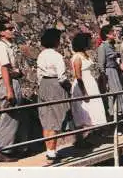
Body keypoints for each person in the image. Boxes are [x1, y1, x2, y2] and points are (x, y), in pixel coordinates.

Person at [0, 18, 27, 162]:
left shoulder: (10, 46)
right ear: (1, 32)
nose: (12, 30)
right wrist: (9, 90)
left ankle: (10, 148)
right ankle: (1, 150)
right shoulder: (1, 47)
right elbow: (4, 68)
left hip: (13, 81)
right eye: (9, 29)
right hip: (8, 83)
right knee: (8, 117)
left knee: (15, 117)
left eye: (12, 28)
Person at [36, 28, 71, 163]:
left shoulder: (41, 55)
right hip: (55, 84)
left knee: (46, 118)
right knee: (56, 118)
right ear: (56, 40)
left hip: (44, 84)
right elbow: (62, 77)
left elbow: (39, 74)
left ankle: (50, 151)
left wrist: (42, 86)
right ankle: (52, 153)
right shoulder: (57, 56)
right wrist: (67, 87)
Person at [70, 32, 107, 146]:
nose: (91, 42)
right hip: (83, 86)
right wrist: (84, 92)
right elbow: (78, 75)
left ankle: (87, 137)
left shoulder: (85, 54)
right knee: (82, 112)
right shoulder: (77, 57)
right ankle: (80, 140)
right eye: (89, 40)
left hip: (90, 84)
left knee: (92, 111)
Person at [97, 25, 123, 132]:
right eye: (112, 32)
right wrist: (104, 80)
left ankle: (116, 126)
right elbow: (101, 65)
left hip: (114, 72)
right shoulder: (102, 47)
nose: (114, 34)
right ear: (106, 34)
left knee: (117, 97)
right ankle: (111, 128)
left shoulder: (111, 46)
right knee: (111, 98)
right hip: (108, 74)